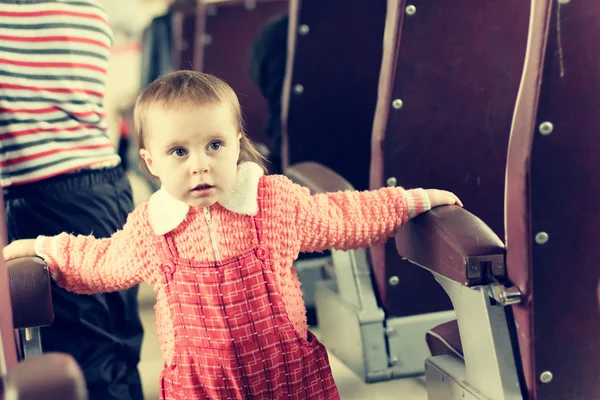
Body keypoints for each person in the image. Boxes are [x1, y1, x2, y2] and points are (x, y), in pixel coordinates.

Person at [3, 70, 462, 400]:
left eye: (215, 146)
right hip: (200, 386)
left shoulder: (274, 202)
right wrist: (42, 249)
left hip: (288, 376)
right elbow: (99, 262)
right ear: (150, 162)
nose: (199, 164)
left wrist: (413, 201)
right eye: (178, 151)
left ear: (237, 142)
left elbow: (346, 214)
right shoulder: (151, 228)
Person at [0, 1, 144, 399]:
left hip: (44, 194)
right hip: (107, 184)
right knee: (119, 343)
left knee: (85, 360)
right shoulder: (89, 13)